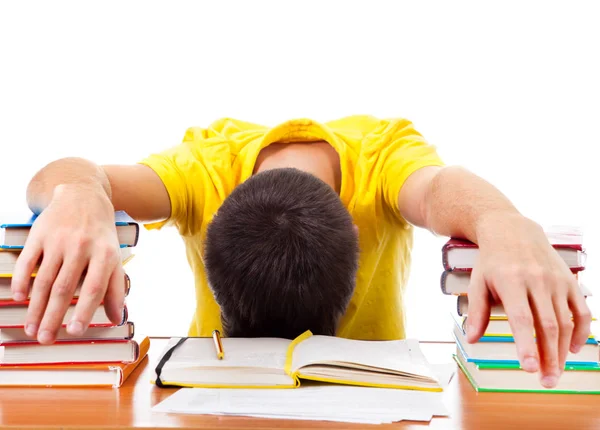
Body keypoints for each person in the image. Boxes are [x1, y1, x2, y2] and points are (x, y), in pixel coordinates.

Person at [12, 116, 590, 389]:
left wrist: (502, 222)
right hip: (219, 398)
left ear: (358, 244)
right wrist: (81, 191)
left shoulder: (384, 154)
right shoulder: (202, 167)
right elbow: (62, 172)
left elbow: (439, 187)